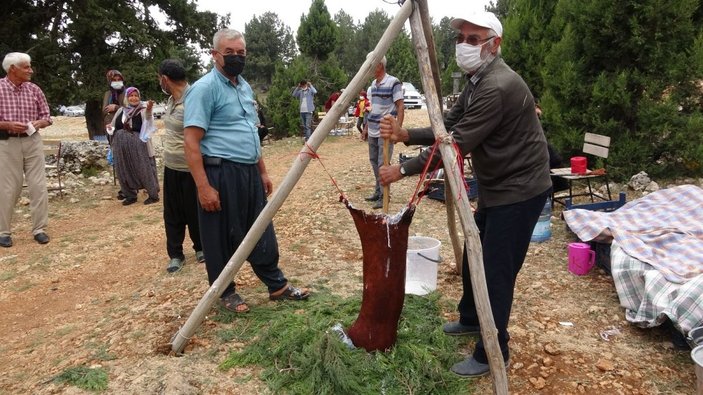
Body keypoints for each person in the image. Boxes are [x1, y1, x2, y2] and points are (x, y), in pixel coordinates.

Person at [378, 11, 552, 377]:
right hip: (496, 186)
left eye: (473, 40)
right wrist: (407, 135)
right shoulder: (477, 80)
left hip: (520, 190)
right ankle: (473, 318)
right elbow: (449, 124)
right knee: (477, 256)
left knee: (495, 271)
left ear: (494, 45)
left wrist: (403, 169)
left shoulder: (498, 86)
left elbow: (454, 145)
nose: (464, 46)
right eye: (461, 39)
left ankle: (493, 350)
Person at [183, 28, 310, 313]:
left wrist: (262, 171)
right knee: (220, 235)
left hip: (249, 172)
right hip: (220, 172)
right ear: (215, 55)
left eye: (241, 53)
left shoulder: (244, 87)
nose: (236, 58)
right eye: (230, 53)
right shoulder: (204, 89)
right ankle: (225, 292)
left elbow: (251, 132)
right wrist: (203, 186)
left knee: (261, 228)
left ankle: (277, 285)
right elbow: (191, 143)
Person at [0, 52, 53, 248]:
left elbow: (47, 115)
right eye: (26, 67)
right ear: (12, 69)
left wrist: (41, 122)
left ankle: (39, 229)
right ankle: (3, 231)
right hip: (7, 143)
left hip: (32, 140)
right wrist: (7, 125)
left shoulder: (34, 89)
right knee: (7, 188)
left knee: (38, 186)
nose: (31, 70)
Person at [158, 59, 204, 273]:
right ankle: (175, 254)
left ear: (165, 79)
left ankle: (201, 247)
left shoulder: (194, 99)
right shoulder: (170, 100)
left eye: (160, 79)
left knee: (194, 209)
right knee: (172, 212)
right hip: (171, 166)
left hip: (191, 167)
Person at [362, 53, 404, 210]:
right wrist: (365, 128)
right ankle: (378, 190)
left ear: (380, 65)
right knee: (374, 161)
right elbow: (372, 108)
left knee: (382, 163)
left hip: (385, 130)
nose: (369, 67)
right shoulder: (373, 84)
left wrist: (397, 131)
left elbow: (400, 106)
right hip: (373, 128)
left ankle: (384, 195)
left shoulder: (394, 82)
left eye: (371, 64)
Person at [107, 86, 160, 206]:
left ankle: (153, 195)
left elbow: (148, 121)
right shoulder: (121, 110)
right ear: (127, 97)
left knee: (143, 168)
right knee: (123, 169)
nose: (134, 98)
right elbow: (114, 125)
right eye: (131, 95)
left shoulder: (143, 110)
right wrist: (110, 128)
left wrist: (149, 110)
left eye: (136, 96)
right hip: (121, 145)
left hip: (138, 145)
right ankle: (130, 195)